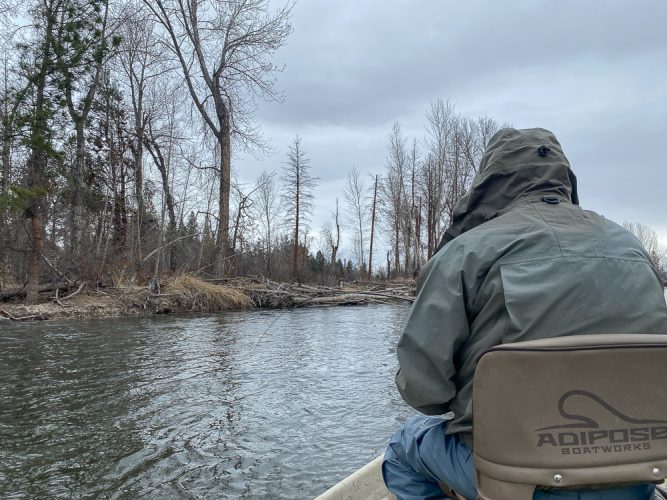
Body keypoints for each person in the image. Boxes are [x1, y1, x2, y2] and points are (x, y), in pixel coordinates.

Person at [382, 128, 667, 500]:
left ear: (489, 182)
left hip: (518, 484)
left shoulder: (465, 253)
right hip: (636, 477)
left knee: (403, 448)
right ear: (565, 178)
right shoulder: (632, 249)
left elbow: (425, 393)